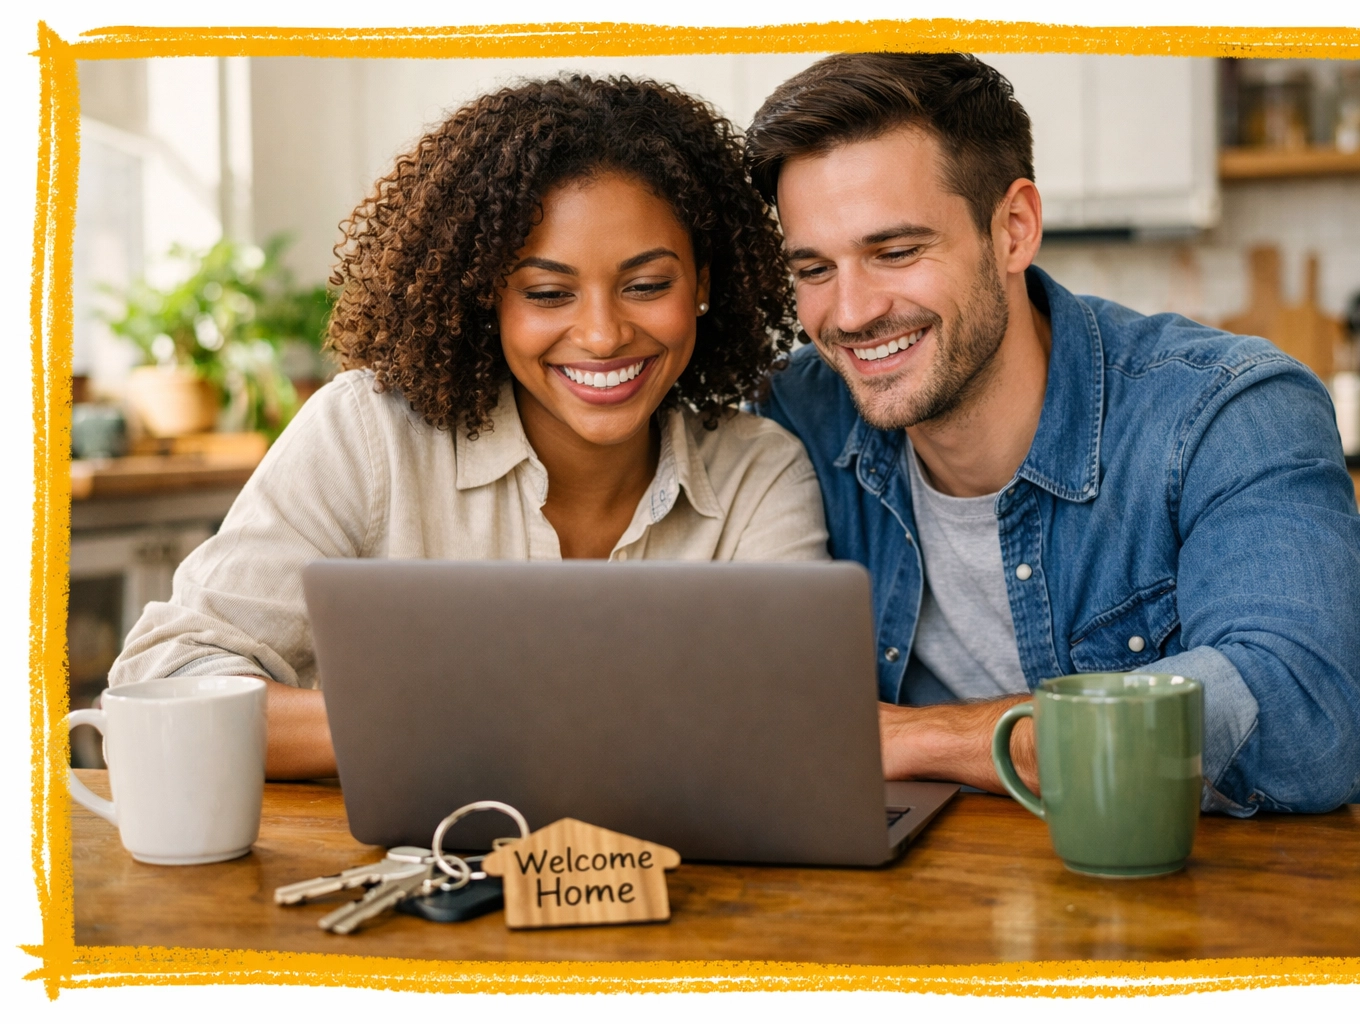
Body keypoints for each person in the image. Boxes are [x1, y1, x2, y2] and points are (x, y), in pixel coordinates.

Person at [110, 76, 829, 779]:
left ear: (703, 283)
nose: (604, 335)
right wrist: (453, 724)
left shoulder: (757, 474)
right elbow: (164, 684)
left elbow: (800, 728)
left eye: (647, 286)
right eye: (548, 293)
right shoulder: (368, 434)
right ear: (486, 295)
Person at [747, 52, 1360, 815]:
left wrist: (921, 739)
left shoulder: (1228, 410)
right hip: (946, 912)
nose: (850, 314)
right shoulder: (799, 415)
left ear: (1014, 230)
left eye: (895, 252)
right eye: (814, 269)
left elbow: (1302, 721)